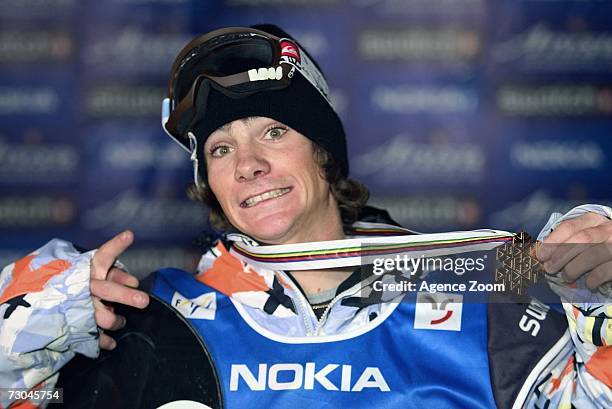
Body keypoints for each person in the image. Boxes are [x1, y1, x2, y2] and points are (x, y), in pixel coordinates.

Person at [1, 24, 611, 409]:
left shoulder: (484, 314)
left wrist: (603, 307)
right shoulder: (147, 323)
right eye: (220, 149)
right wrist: (29, 321)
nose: (249, 165)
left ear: (323, 154)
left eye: (274, 131)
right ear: (208, 183)